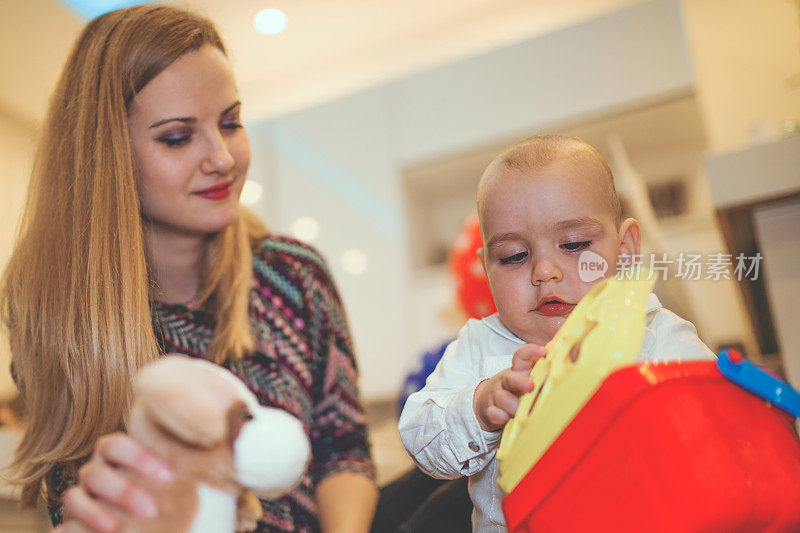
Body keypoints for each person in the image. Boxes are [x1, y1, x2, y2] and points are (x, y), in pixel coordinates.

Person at [1, 5, 378, 532]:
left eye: (230, 122)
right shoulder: (51, 315)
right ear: (109, 158)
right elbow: (79, 494)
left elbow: (344, 451)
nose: (222, 157)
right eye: (178, 137)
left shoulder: (296, 274)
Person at [398, 134, 716, 532]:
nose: (544, 271)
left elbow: (715, 422)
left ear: (626, 249)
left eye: (574, 244)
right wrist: (480, 407)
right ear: (486, 268)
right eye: (514, 256)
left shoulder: (653, 330)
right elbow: (421, 439)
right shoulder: (480, 345)